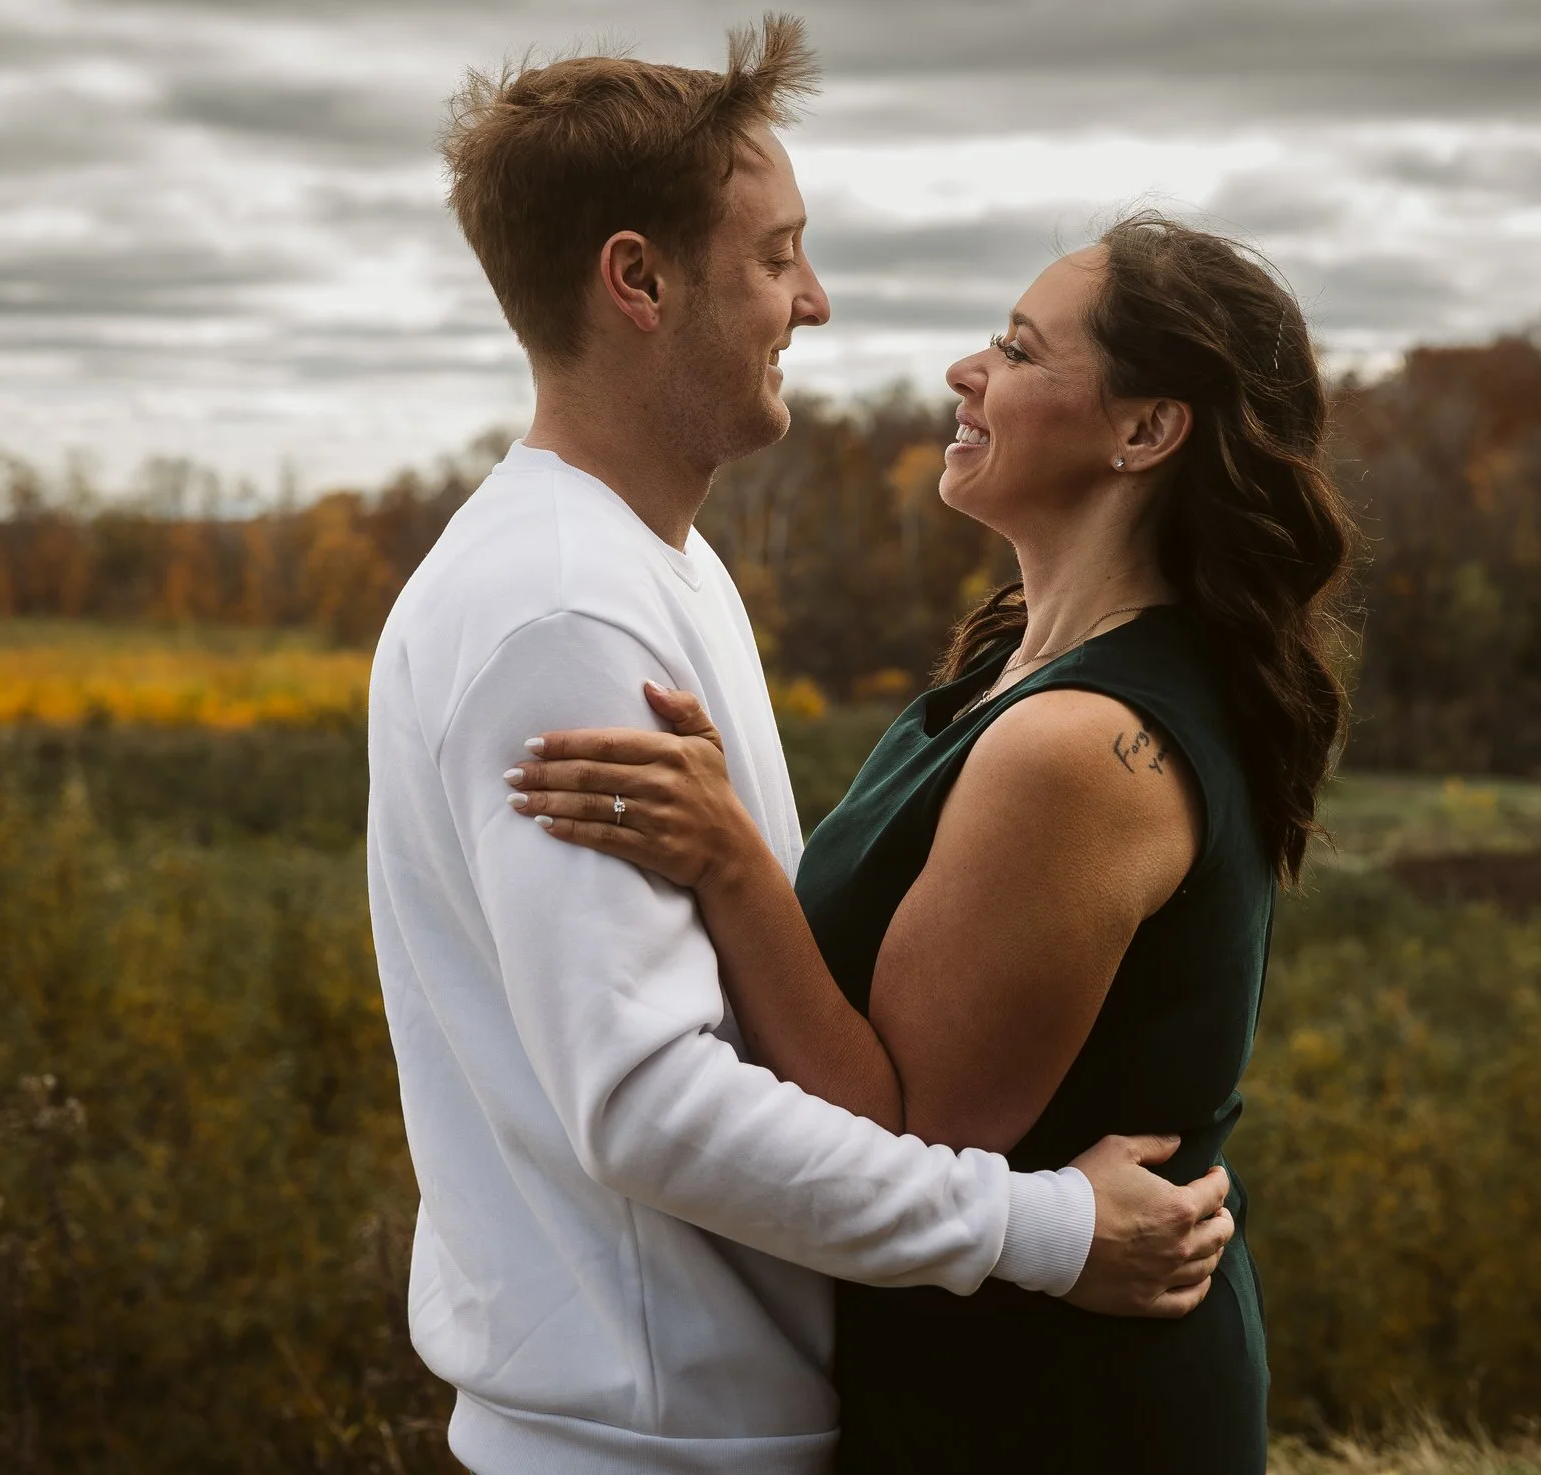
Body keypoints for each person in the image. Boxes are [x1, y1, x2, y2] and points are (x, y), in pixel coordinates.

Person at [366, 14, 1235, 1475]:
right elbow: (647, 1102)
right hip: (646, 1438)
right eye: (776, 256)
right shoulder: (562, 610)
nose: (814, 301)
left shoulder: (661, 566)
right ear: (637, 280)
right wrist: (1042, 1227)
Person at [506, 210, 1353, 1472]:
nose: (966, 371)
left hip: (1051, 1404)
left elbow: (911, 1134)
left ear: (1143, 430)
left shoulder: (1077, 745)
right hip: (965, 1359)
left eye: (1017, 350)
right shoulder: (1006, 672)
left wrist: (731, 862)